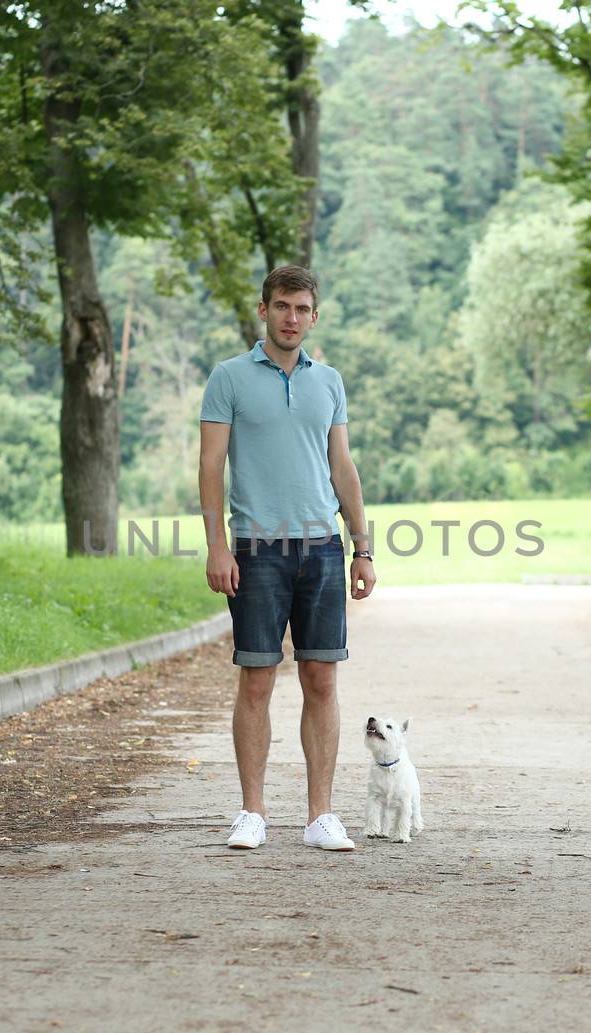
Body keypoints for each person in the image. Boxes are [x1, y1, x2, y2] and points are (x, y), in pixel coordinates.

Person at [198, 264, 377, 852]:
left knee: (321, 679)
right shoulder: (227, 378)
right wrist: (217, 546)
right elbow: (210, 466)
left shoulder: (329, 382)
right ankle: (252, 813)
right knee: (256, 680)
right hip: (254, 550)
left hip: (322, 548)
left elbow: (342, 468)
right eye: (281, 306)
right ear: (264, 310)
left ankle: (320, 816)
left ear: (314, 316)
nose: (291, 318)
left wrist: (362, 548)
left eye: (302, 309)